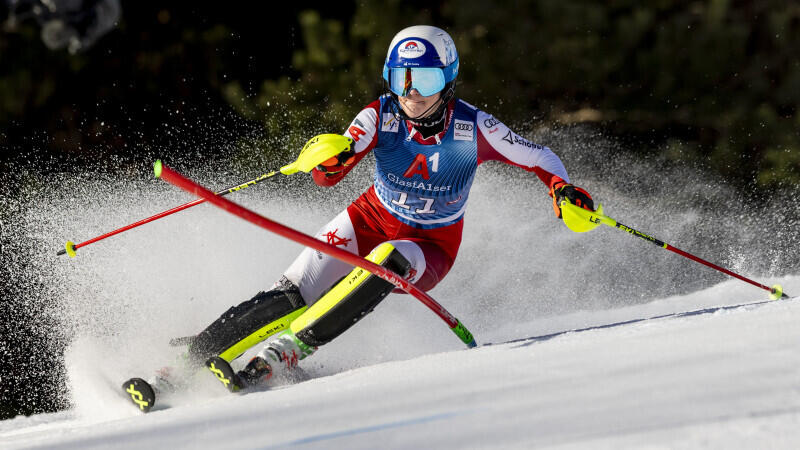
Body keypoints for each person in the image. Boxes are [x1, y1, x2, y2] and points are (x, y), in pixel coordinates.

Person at [189, 25, 595, 391]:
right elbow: (329, 176)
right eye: (401, 78)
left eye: (426, 79)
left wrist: (563, 190)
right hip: (369, 217)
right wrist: (330, 158)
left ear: (448, 80)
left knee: (388, 259)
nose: (412, 92)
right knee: (294, 291)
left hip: (429, 245)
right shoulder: (379, 114)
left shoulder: (476, 128)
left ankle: (286, 352)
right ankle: (190, 357)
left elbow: (541, 158)